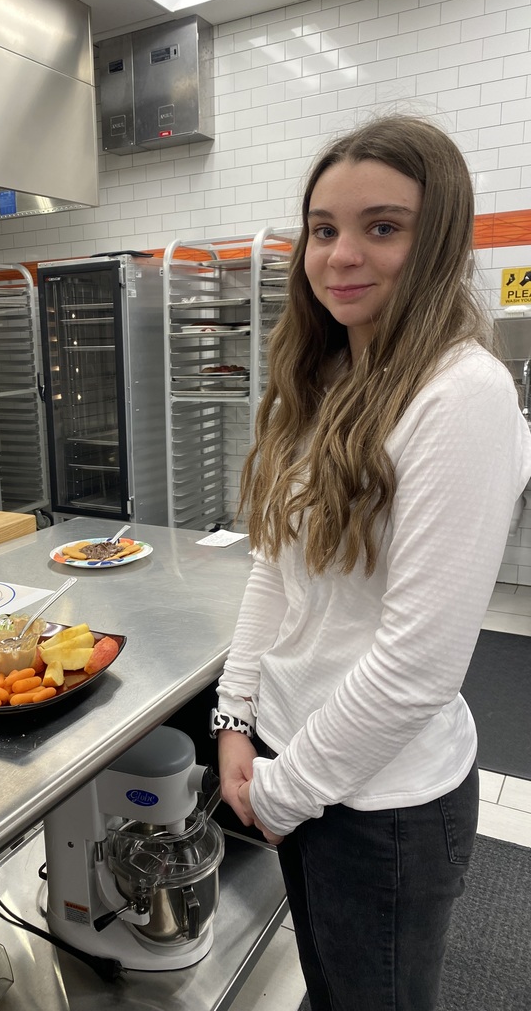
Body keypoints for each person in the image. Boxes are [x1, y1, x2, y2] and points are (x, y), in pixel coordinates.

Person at [212, 114, 531, 1011]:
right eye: (323, 229)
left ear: (434, 242)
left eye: (381, 227)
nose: (340, 255)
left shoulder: (462, 393)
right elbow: (274, 568)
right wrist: (235, 720)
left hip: (382, 802)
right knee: (331, 987)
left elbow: (418, 666)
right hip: (301, 768)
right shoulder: (322, 382)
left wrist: (283, 790)